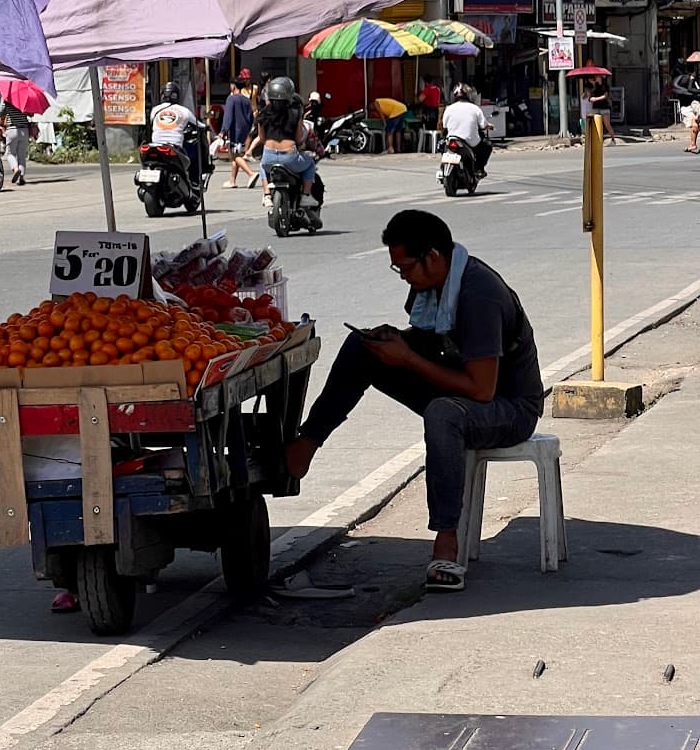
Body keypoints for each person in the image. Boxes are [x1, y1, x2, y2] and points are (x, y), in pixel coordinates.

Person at [285, 209, 543, 592]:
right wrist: (397, 341)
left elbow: (482, 390)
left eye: (406, 267)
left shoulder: (479, 295)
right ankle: (306, 444)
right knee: (361, 347)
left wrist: (407, 358)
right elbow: (432, 340)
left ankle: (447, 540)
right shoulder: (431, 284)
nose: (403, 276)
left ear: (433, 257)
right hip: (464, 388)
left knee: (443, 414)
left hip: (508, 407)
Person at [253, 75, 319, 219]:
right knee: (310, 163)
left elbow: (262, 139)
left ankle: (266, 195)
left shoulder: (263, 114)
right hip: (290, 158)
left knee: (262, 165)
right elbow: (298, 138)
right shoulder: (296, 113)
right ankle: (306, 195)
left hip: (269, 157)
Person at [441, 83, 493, 178]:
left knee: (442, 145)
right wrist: (488, 126)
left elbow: (444, 125)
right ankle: (478, 168)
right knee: (487, 146)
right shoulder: (475, 108)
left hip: (452, 139)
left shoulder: (448, 109)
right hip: (470, 142)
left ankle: (442, 168)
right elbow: (483, 125)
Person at [220, 79, 257, 188]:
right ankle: (232, 180)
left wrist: (223, 130)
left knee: (235, 155)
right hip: (245, 130)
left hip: (235, 130)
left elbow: (228, 116)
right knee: (237, 154)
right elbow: (251, 116)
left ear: (233, 86)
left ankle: (251, 173)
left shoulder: (231, 99)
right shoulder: (246, 100)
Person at [0, 97, 32, 186]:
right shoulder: (24, 98)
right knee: (22, 155)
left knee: (10, 153)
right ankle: (21, 177)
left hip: (12, 129)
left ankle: (16, 169)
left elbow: (1, 112)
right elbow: (30, 113)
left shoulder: (7, 98)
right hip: (24, 130)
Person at [587, 77, 616, 145]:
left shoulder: (605, 85)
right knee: (595, 124)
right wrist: (591, 97)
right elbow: (590, 97)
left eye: (597, 77)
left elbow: (605, 96)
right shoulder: (594, 86)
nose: (595, 78)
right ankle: (597, 140)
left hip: (604, 107)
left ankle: (613, 139)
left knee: (607, 124)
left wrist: (596, 99)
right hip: (596, 107)